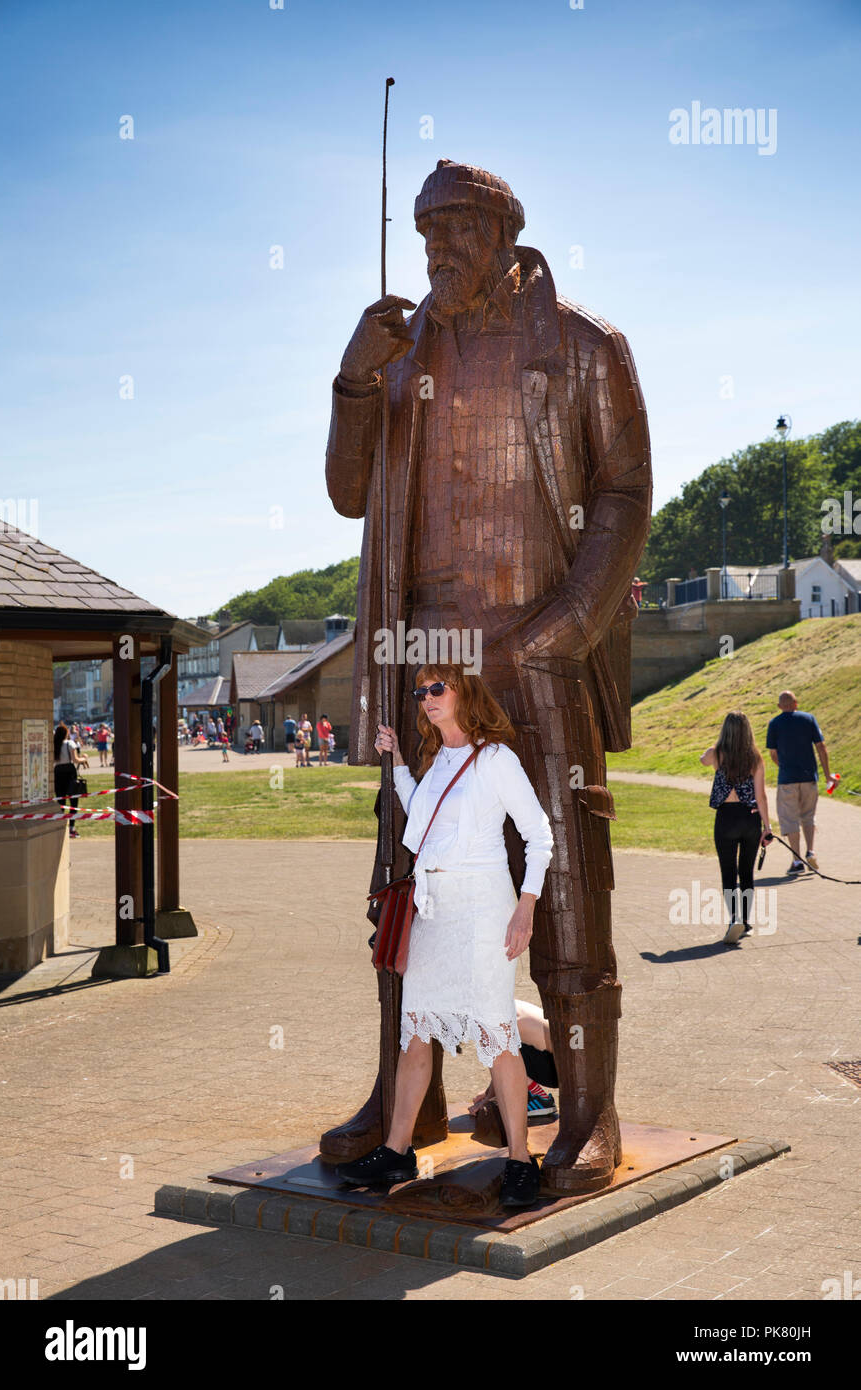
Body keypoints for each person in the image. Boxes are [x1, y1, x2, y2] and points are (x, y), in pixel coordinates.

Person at [323, 159, 651, 1193]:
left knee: (559, 887)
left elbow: (624, 494)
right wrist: (350, 382)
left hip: (536, 651)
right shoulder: (399, 350)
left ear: (503, 234)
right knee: (410, 881)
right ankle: (405, 1096)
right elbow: (344, 493)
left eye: (452, 233)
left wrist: (562, 627)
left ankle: (586, 1111)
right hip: (426, 657)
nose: (433, 253)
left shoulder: (582, 347)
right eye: (423, 235)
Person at [335, 665, 554, 1209]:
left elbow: (539, 835)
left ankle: (520, 1161)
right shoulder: (437, 762)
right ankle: (396, 1151)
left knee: (497, 1033)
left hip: (484, 909)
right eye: (421, 692)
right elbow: (423, 820)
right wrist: (403, 765)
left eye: (439, 689)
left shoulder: (497, 758)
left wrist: (526, 906)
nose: (427, 699)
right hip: (434, 913)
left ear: (465, 693)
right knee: (416, 1030)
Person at [700, 713, 772, 944]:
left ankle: (734, 919)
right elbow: (761, 796)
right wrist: (767, 827)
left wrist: (715, 746)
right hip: (750, 818)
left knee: (728, 872)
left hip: (726, 818)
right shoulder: (756, 758)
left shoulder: (717, 754)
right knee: (747, 873)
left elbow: (703, 759)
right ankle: (746, 922)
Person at [766, 691, 835, 875]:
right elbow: (821, 747)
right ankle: (811, 852)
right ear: (796, 703)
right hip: (809, 777)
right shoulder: (808, 719)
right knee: (808, 816)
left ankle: (797, 861)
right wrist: (828, 775)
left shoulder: (774, 724)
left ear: (780, 706)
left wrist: (783, 766)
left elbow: (772, 753)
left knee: (790, 819)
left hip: (787, 779)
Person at [469, 998, 559, 1123]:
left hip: (558, 1070)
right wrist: (489, 1091)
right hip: (562, 1064)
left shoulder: (488, 1018)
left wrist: (488, 1099)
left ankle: (536, 1098)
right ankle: (532, 1093)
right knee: (505, 1045)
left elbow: (501, 1060)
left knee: (502, 1046)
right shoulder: (495, 1004)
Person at [54, 721, 82, 839]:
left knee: (61, 801)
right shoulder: (69, 743)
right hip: (70, 772)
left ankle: (61, 827)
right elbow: (75, 760)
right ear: (66, 733)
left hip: (58, 772)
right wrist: (84, 759)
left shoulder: (55, 745)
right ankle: (72, 828)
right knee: (73, 802)